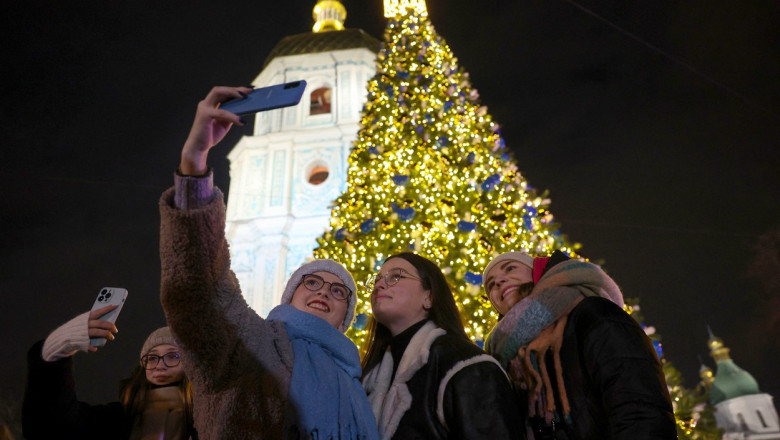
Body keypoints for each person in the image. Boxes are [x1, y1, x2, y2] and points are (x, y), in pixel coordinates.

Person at [159, 86, 378, 439]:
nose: (324, 290)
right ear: (287, 297)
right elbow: (200, 289)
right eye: (311, 282)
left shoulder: (361, 381)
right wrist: (194, 165)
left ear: (346, 319)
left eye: (339, 291)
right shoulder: (254, 343)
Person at [482, 250, 677, 439]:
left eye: (510, 268)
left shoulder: (592, 314)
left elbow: (641, 410)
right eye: (491, 285)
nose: (498, 281)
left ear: (538, 270)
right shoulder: (509, 363)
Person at [361, 252, 525, 439]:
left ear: (429, 297)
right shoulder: (367, 380)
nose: (379, 285)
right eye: (377, 280)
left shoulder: (468, 366)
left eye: (396, 276)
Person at [22, 307, 197, 440]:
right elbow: (51, 427)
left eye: (173, 356)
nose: (160, 365)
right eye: (151, 358)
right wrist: (57, 346)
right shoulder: (118, 419)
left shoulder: (204, 418)